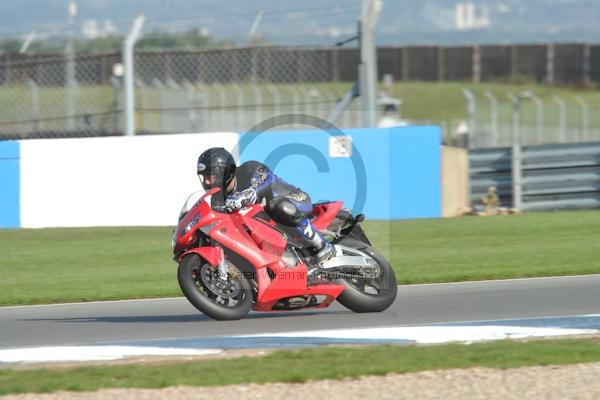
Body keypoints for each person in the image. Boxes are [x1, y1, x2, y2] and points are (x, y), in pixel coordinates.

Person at [196, 147, 334, 264]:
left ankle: (321, 246)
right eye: (204, 178)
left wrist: (246, 194)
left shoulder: (248, 170)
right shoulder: (218, 200)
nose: (207, 182)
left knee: (278, 206)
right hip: (268, 229)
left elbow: (266, 179)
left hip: (295, 200)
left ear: (224, 171)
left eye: (211, 177)